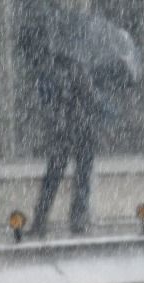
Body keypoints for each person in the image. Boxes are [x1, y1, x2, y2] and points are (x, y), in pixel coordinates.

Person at [29, 55, 98, 238]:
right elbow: (89, 100)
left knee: (53, 176)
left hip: (64, 132)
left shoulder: (51, 71)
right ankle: (77, 218)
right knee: (81, 176)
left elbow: (46, 102)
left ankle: (41, 219)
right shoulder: (81, 72)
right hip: (81, 130)